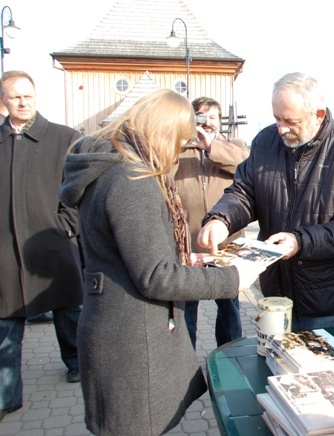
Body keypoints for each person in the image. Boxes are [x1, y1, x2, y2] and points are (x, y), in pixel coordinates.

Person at [58, 88, 263, 434]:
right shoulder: (131, 179)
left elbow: (134, 255)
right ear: (163, 133)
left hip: (119, 328)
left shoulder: (113, 168)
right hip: (132, 341)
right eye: (180, 143)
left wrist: (186, 259)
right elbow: (156, 276)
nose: (176, 156)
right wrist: (233, 279)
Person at [198, 72, 334, 331]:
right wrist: (221, 218)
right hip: (277, 290)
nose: (281, 129)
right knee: (275, 365)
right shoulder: (265, 141)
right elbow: (245, 191)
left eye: (290, 121)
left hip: (326, 298)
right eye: (276, 118)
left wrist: (299, 242)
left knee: (318, 371)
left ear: (318, 115)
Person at [0, 70, 84, 421]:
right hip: (5, 251)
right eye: (15, 96)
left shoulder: (63, 138)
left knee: (67, 312)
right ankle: (8, 395)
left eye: (27, 95)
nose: (22, 102)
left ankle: (76, 362)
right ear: (3, 101)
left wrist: (67, 225)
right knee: (6, 324)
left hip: (52, 244)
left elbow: (82, 188)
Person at [175, 97, 250, 349]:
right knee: (186, 306)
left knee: (229, 304)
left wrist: (212, 147)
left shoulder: (232, 147)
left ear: (220, 121)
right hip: (188, 244)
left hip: (226, 243)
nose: (207, 122)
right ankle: (185, 359)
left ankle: (230, 355)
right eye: (200, 116)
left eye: (213, 117)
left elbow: (248, 166)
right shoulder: (179, 150)